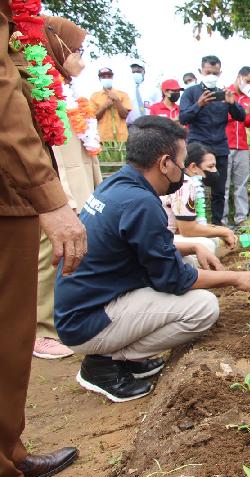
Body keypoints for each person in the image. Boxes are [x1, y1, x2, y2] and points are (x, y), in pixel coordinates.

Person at [54, 116, 250, 404]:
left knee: (187, 262)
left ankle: (121, 357)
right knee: (203, 307)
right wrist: (236, 277)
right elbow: (175, 280)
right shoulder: (142, 202)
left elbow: (145, 244)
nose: (181, 170)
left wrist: (191, 247)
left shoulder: (118, 185)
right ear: (164, 163)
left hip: (84, 306)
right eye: (180, 162)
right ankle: (105, 363)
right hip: (89, 321)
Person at [1, 3, 87, 477]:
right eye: (74, 51)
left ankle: (9, 453)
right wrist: (49, 199)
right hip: (11, 193)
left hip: (18, 192)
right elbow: (5, 105)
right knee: (8, 338)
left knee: (10, 341)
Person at [34, 15, 101, 360]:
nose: (81, 57)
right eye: (75, 50)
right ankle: (40, 329)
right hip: (57, 193)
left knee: (67, 257)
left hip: (80, 188)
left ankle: (60, 320)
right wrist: (64, 198)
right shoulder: (39, 90)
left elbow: (84, 149)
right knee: (48, 256)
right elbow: (50, 153)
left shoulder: (71, 92)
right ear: (54, 48)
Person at [179, 55, 250, 225]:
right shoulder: (191, 93)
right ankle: (192, 223)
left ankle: (218, 225)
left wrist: (232, 103)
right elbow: (183, 118)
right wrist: (199, 104)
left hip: (220, 147)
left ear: (220, 73)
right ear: (200, 71)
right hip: (198, 147)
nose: (211, 75)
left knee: (220, 190)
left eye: (215, 72)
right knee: (193, 187)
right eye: (208, 72)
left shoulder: (223, 94)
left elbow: (241, 117)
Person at [161, 142, 237, 256]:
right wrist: (224, 231)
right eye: (210, 166)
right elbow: (187, 230)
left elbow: (191, 225)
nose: (215, 171)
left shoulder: (188, 182)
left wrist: (222, 232)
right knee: (207, 245)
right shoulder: (185, 185)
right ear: (193, 167)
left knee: (217, 240)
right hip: (161, 240)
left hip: (171, 236)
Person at [223, 66, 250, 227]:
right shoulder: (225, 94)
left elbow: (247, 123)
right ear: (239, 77)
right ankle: (222, 221)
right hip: (225, 144)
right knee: (224, 185)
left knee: (241, 184)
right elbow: (224, 116)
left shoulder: (247, 99)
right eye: (247, 80)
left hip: (242, 146)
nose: (248, 84)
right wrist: (242, 112)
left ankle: (241, 219)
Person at [90, 67, 132, 142]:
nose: (106, 78)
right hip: (103, 138)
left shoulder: (123, 95)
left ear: (112, 77)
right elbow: (93, 118)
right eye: (103, 77)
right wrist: (104, 106)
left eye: (109, 76)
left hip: (121, 138)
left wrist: (117, 100)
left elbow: (124, 115)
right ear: (99, 79)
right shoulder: (94, 96)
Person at [126, 61, 161, 125]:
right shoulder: (127, 90)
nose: (136, 74)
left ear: (143, 71)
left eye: (138, 72)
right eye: (134, 72)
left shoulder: (153, 89)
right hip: (132, 126)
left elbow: (159, 106)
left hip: (151, 124)